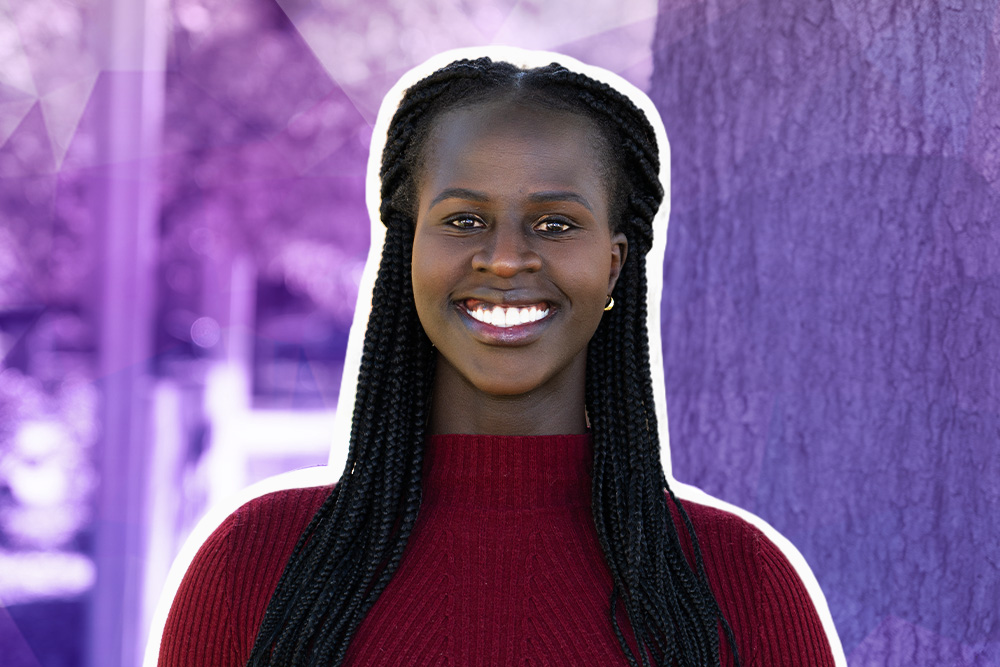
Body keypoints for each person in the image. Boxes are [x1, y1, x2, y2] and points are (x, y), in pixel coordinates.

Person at [154, 49, 841, 667]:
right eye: (463, 220)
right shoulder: (252, 568)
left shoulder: (740, 583)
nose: (507, 257)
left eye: (555, 223)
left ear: (614, 263)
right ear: (408, 251)